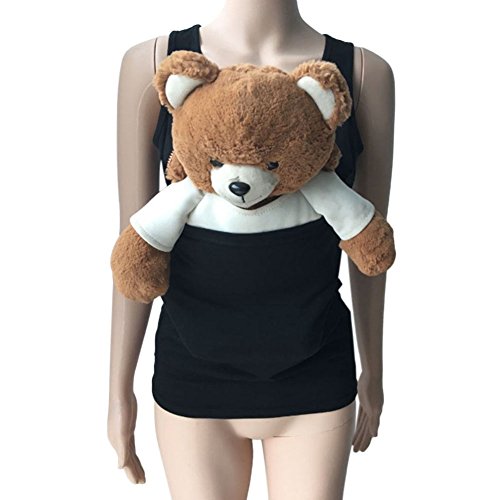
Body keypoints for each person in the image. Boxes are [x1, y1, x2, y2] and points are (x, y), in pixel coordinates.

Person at [107, 1, 395, 498]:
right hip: (191, 378)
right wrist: (118, 388)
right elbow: (137, 242)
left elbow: (367, 242)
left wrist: (374, 368)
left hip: (315, 375)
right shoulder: (153, 62)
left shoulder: (362, 74)